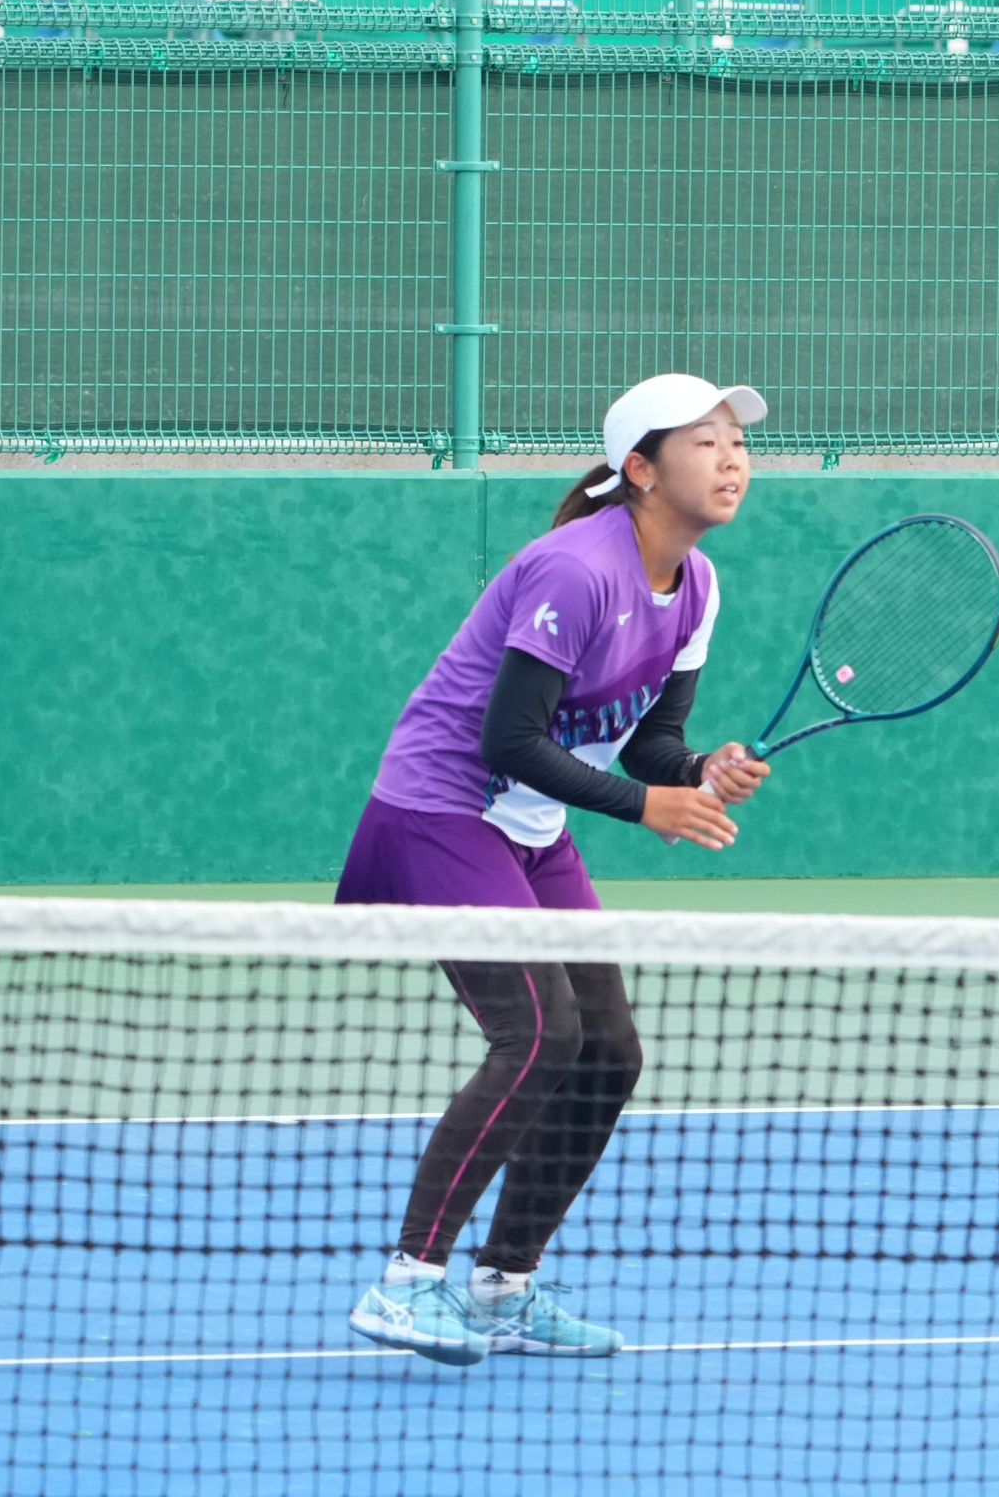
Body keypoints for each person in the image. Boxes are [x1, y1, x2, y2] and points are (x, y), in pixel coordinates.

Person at [338, 373, 774, 1366]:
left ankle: (502, 1285)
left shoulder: (697, 586)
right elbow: (509, 738)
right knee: (538, 1033)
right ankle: (404, 1283)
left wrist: (696, 770)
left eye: (738, 442)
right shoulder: (575, 572)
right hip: (441, 809)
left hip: (530, 827)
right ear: (641, 470)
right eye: (705, 441)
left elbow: (649, 741)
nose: (732, 458)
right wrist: (647, 804)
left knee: (608, 1051)